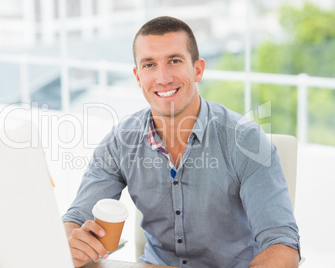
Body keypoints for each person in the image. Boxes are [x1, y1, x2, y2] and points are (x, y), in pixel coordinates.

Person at [63, 16, 300, 268]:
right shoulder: (119, 143)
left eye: (174, 61)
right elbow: (76, 218)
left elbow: (282, 244)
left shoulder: (245, 140)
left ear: (197, 69)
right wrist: (70, 242)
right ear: (137, 76)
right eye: (149, 65)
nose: (163, 78)